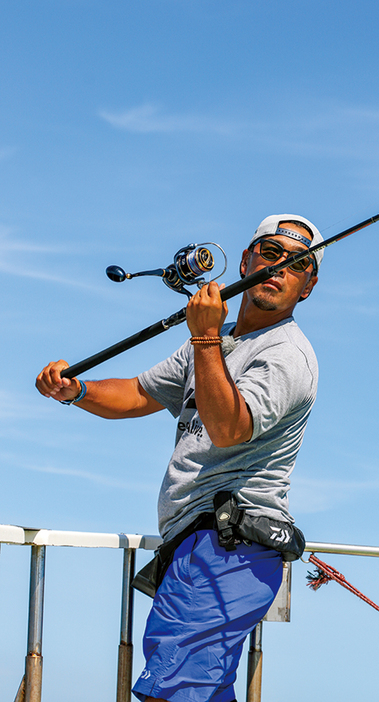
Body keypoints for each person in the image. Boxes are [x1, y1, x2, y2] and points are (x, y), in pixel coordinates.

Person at [35, 214, 324, 702]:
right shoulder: (212, 342)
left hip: (229, 547)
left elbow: (230, 429)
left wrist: (205, 337)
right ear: (247, 258)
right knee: (195, 691)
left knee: (172, 692)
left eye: (296, 264)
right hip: (195, 547)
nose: (278, 267)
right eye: (270, 253)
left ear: (307, 287)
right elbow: (137, 393)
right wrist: (76, 390)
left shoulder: (286, 355)